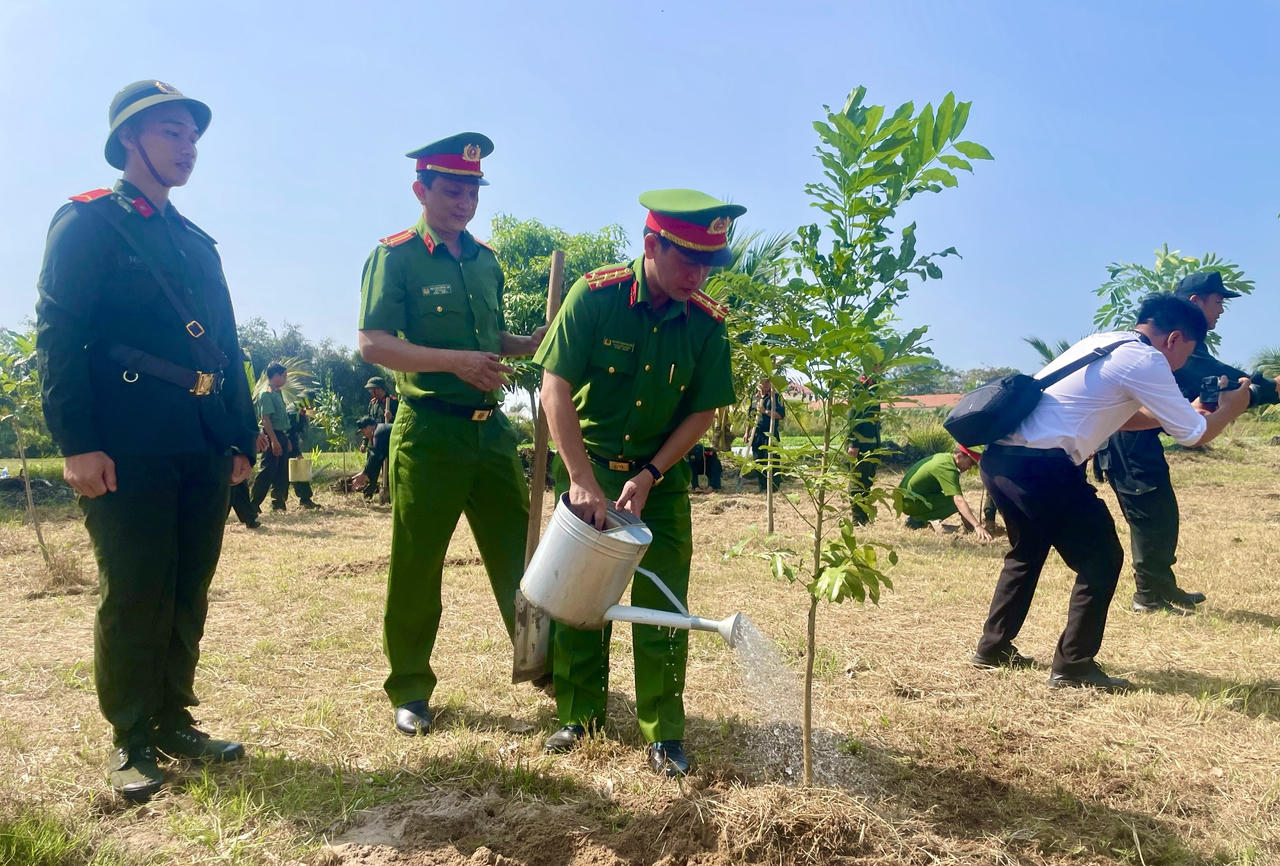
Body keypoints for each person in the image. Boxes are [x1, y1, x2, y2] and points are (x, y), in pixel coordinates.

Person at [35, 80, 256, 801]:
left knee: (188, 585)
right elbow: (59, 338)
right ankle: (130, 735)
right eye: (171, 132)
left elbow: (227, 345)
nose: (188, 147)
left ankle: (173, 718)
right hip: (125, 441)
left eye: (193, 135)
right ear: (129, 140)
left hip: (201, 438)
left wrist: (240, 435)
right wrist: (76, 442)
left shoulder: (195, 242)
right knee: (135, 589)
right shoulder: (88, 223)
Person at [534, 189, 740, 776]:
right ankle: (579, 716)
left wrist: (652, 474)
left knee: (664, 604)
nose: (698, 277)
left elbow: (702, 412)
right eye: (687, 262)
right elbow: (554, 388)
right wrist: (581, 478)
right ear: (651, 245)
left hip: (661, 481)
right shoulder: (595, 296)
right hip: (590, 468)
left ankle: (663, 732)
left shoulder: (706, 323)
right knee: (581, 598)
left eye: (707, 265)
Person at [357, 133, 545, 736]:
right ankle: (411, 687)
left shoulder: (487, 261)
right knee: (418, 563)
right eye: (452, 191)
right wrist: (455, 363)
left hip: (491, 435)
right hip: (429, 432)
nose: (465, 202)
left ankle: (544, 665)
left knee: (522, 556)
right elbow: (374, 344)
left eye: (473, 192)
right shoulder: (396, 257)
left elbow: (490, 341)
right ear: (422, 190)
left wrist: (528, 343)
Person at [972, 294, 1250, 691]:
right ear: (1174, 339)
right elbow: (1194, 437)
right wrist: (1233, 408)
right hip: (1043, 468)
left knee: (1026, 554)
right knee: (1101, 559)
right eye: (1188, 353)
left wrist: (1187, 414)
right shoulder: (1147, 359)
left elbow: (1119, 417)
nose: (1183, 363)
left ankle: (993, 648)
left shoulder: (1102, 343)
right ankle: (1073, 667)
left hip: (1002, 460)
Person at [898, 444, 992, 540]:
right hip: (910, 503)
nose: (969, 467)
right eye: (970, 463)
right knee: (954, 502)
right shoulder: (948, 469)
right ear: (959, 456)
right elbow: (958, 500)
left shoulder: (944, 458)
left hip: (905, 498)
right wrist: (977, 526)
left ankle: (918, 518)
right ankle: (918, 520)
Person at [249, 363, 291, 514]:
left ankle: (278, 502)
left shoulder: (277, 393)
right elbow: (266, 419)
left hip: (280, 434)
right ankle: (254, 503)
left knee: (282, 471)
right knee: (268, 470)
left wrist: (285, 439)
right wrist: (274, 441)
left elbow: (281, 419)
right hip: (271, 434)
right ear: (276, 375)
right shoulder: (266, 393)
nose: (285, 379)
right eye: (284, 376)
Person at [845, 377, 881, 524]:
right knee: (857, 481)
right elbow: (853, 415)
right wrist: (853, 442)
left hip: (872, 443)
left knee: (867, 480)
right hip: (859, 444)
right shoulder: (859, 388)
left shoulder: (875, 387)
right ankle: (857, 518)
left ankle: (864, 516)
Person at [746, 378, 785, 492]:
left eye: (768, 382)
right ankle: (762, 486)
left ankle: (774, 487)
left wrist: (765, 411)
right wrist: (747, 433)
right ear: (758, 384)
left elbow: (780, 415)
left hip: (770, 433)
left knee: (773, 460)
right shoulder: (755, 398)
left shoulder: (776, 397)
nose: (766, 384)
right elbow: (750, 417)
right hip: (757, 434)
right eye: (763, 382)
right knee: (758, 460)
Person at [285, 393, 321, 509]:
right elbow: (290, 433)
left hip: (290, 445)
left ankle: (302, 500)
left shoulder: (299, 410)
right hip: (288, 446)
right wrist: (296, 452)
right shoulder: (293, 411)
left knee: (291, 473)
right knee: (299, 471)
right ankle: (303, 499)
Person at [351, 415, 392, 499]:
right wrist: (366, 475)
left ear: (369, 427)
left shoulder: (379, 433)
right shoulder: (380, 429)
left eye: (363, 432)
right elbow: (377, 460)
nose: (364, 435)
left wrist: (364, 474)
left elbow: (375, 456)